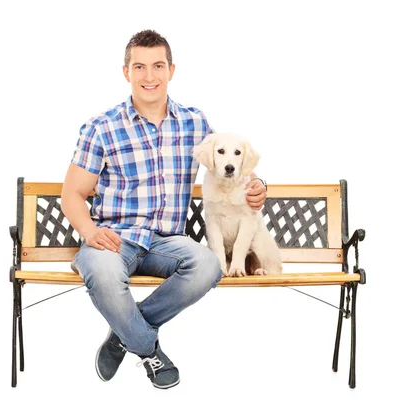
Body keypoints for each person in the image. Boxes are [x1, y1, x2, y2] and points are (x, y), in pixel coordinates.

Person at [61, 29, 267, 390]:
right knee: (104, 273)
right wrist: (91, 233)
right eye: (139, 67)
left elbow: (233, 163)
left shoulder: (194, 122)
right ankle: (148, 349)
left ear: (172, 70)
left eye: (158, 66)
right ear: (126, 72)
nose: (149, 76)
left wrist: (259, 187)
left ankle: (125, 333)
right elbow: (72, 195)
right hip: (115, 238)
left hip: (168, 242)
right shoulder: (102, 128)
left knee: (208, 264)